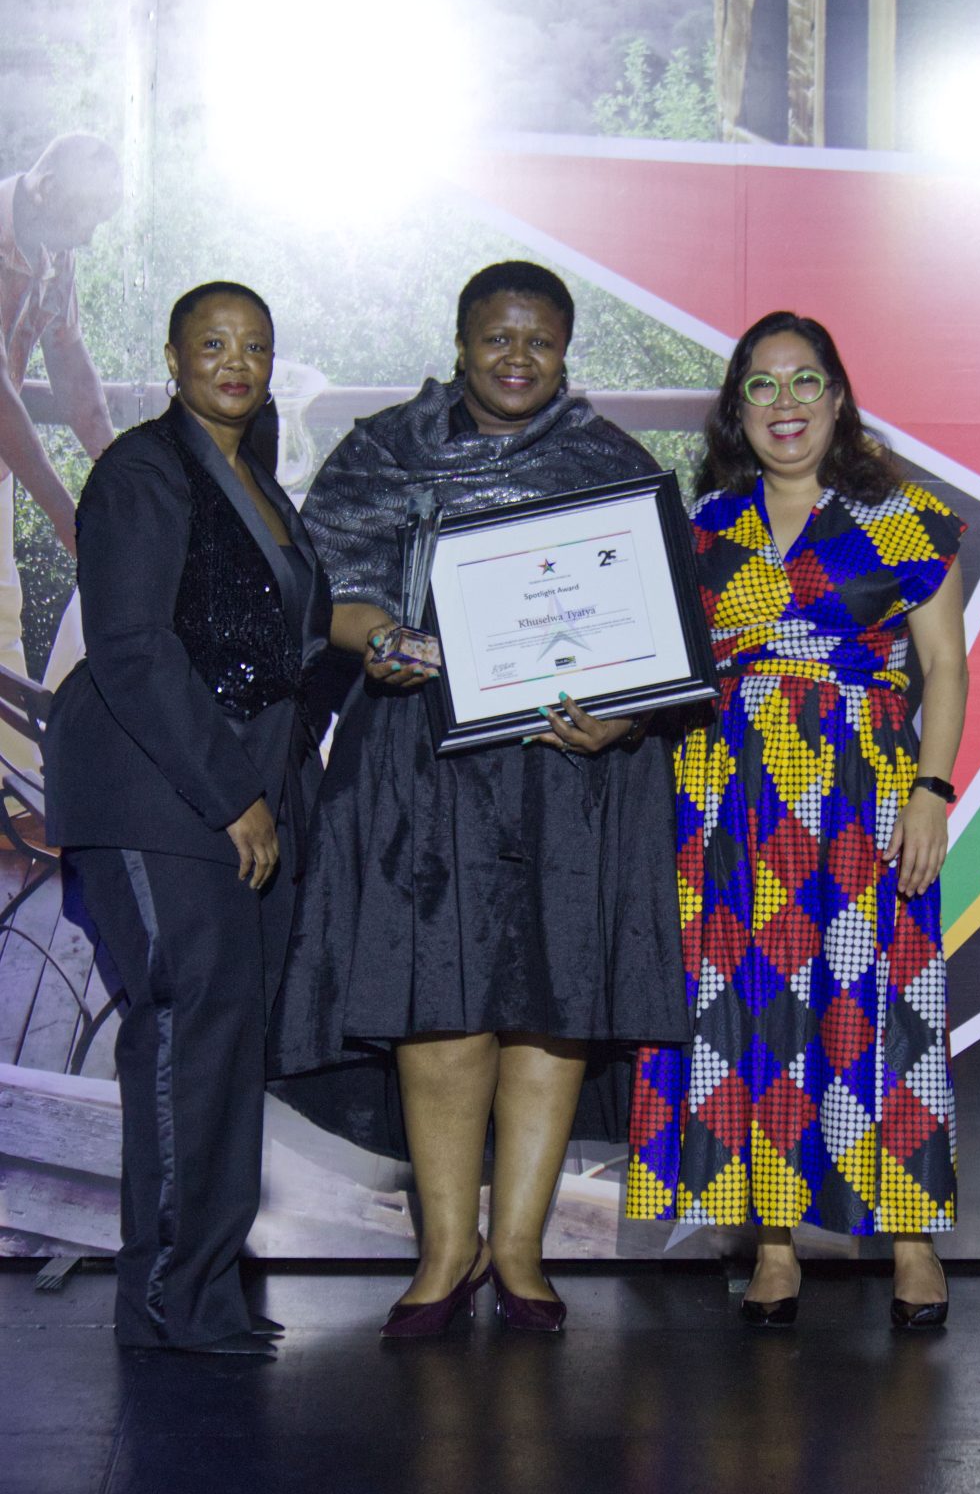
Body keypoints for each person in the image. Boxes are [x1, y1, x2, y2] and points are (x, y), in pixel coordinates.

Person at [270, 260, 689, 1335]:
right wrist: (386, 637)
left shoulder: (613, 462)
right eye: (497, 337)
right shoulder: (383, 451)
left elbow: (663, 636)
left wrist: (625, 718)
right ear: (460, 344)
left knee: (551, 1005)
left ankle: (520, 1255)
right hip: (422, 761)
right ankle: (445, 1253)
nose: (517, 358)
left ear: (565, 352)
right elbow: (326, 595)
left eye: (539, 340)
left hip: (571, 770)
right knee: (440, 1003)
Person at [626, 312, 968, 1329]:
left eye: (805, 380)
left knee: (883, 1004)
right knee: (753, 1007)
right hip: (732, 796)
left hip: (865, 790)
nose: (785, 403)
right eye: (762, 385)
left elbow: (944, 665)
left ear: (838, 397)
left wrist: (934, 791)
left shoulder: (903, 516)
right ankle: (772, 1246)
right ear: (737, 409)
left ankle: (911, 1243)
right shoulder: (703, 527)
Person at [44, 282, 331, 1357]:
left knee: (221, 1039)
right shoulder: (141, 471)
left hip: (230, 791)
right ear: (172, 358)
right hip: (155, 791)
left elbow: (288, 641)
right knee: (187, 1032)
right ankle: (170, 1301)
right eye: (212, 343)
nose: (235, 361)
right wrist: (234, 796)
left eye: (254, 345)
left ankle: (203, 1290)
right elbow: (131, 648)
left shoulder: (256, 481)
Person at [0, 133, 122, 762]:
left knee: (2, 624)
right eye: (86, 217)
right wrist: (62, 514)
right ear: (47, 190)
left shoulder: (54, 248)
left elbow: (70, 362)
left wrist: (123, 472)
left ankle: (15, 793)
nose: (91, 238)